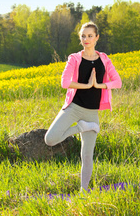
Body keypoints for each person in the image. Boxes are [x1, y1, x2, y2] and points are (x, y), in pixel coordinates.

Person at [44, 21, 122, 192]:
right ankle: (80, 128)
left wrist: (99, 85)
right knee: (50, 139)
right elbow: (65, 82)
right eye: (83, 36)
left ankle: (83, 191)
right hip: (74, 107)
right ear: (80, 38)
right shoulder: (74, 58)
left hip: (92, 113)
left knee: (87, 155)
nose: (86, 39)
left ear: (97, 38)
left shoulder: (104, 59)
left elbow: (118, 82)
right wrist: (86, 86)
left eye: (90, 36)